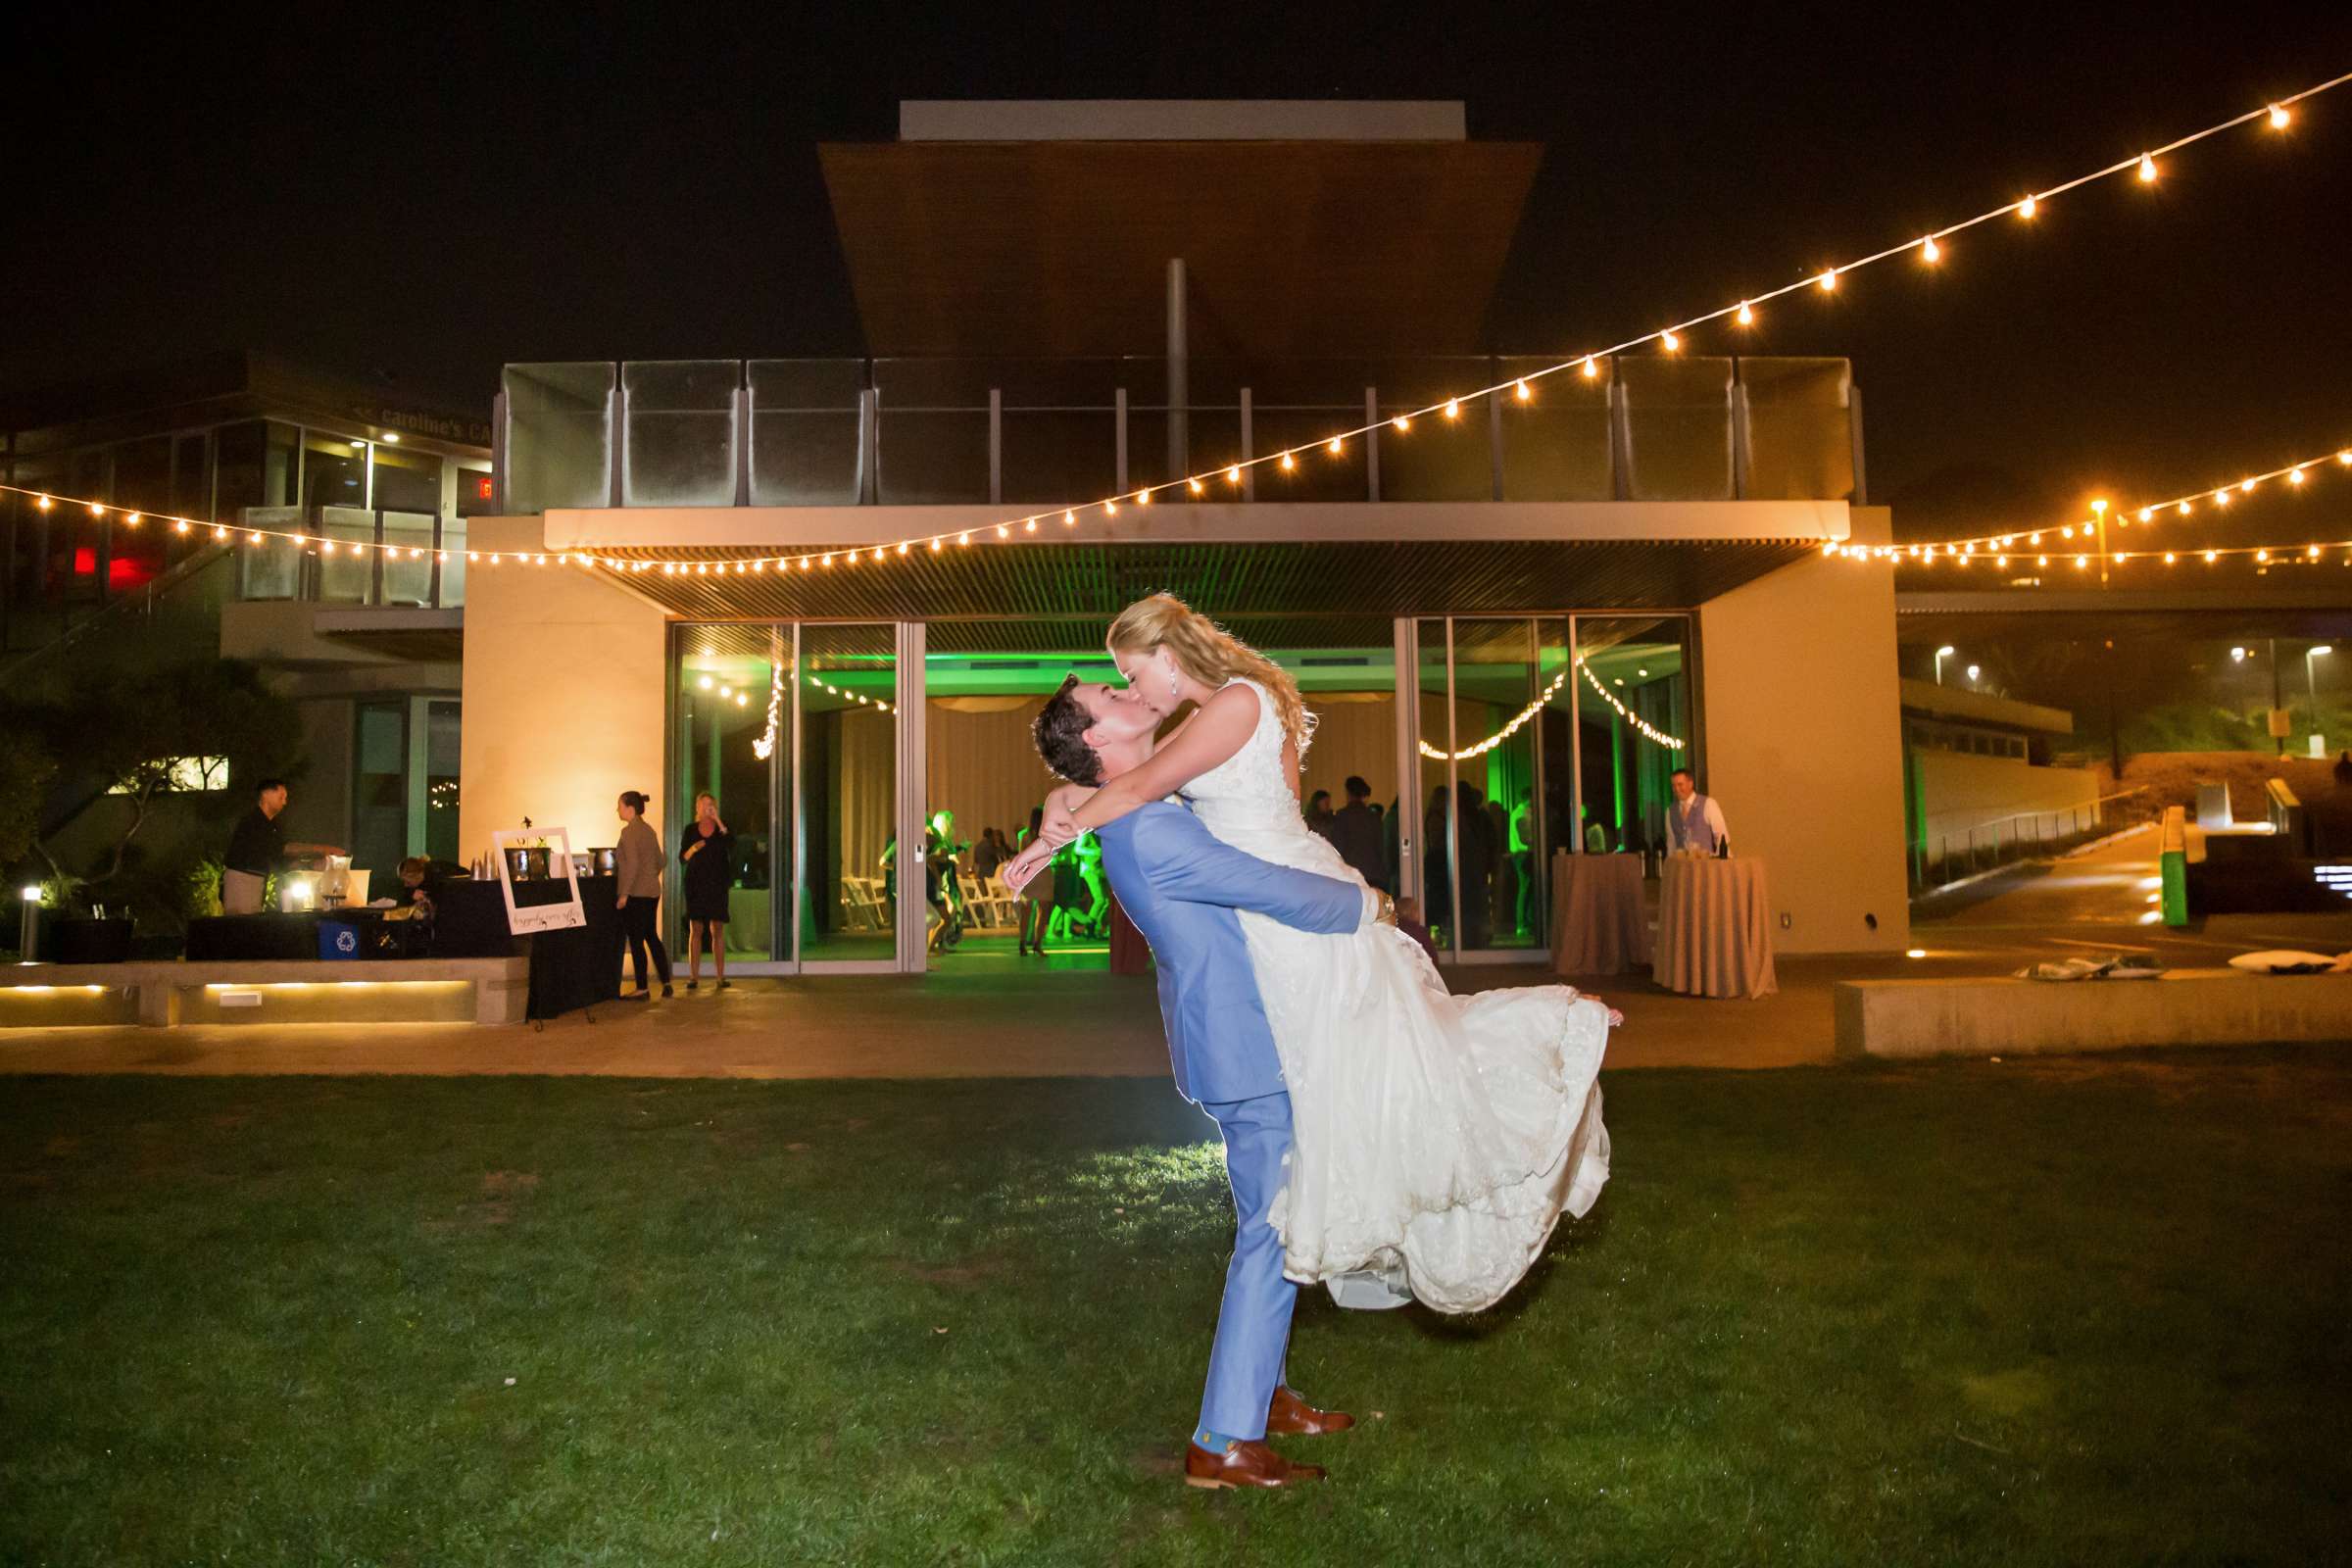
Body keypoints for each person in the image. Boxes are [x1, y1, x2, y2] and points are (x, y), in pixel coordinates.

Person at [1004, 594, 1612, 1321]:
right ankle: (1327, 1264)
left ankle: (1557, 1028)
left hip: (1292, 901)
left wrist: (1054, 838)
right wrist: (1053, 818)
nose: (1131, 690)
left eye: (1129, 676)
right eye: (1119, 686)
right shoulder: (1202, 722)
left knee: (1390, 1056)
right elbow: (1095, 780)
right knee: (1347, 1073)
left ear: (1169, 662)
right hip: (1270, 914)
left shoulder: (1233, 705)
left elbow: (1130, 784)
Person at [1019, 667, 1388, 1490]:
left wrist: (1058, 811)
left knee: (1275, 1216)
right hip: (1243, 1046)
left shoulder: (1139, 808)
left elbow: (1083, 800)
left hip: (1235, 1037)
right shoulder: (1153, 830)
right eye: (1113, 700)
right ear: (1096, 739)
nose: (1132, 695)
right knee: (1274, 1226)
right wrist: (1369, 907)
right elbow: (1263, 888)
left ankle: (1267, 1393)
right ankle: (1223, 1439)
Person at [220, 778, 341, 914]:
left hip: (255, 878)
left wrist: (309, 865)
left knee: (250, 920)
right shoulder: (253, 822)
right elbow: (283, 848)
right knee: (241, 921)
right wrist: (321, 849)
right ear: (265, 794)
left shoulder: (271, 825)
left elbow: (278, 856)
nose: (284, 802)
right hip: (242, 878)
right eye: (281, 797)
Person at [613, 790, 672, 1000]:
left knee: (637, 940)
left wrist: (624, 895)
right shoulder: (648, 830)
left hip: (637, 893)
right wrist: (650, 876)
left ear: (630, 809)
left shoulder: (628, 832)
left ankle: (642, 987)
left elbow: (632, 865)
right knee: (652, 937)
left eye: (619, 806)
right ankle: (666, 982)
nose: (617, 810)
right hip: (652, 891)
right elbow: (661, 861)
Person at [679, 791, 734, 992]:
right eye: (703, 805)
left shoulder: (721, 828)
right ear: (697, 808)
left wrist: (718, 821)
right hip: (696, 886)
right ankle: (693, 977)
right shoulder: (690, 830)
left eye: (710, 805)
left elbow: (731, 844)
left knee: (717, 929)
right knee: (696, 930)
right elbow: (682, 858)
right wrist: (693, 848)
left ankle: (720, 976)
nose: (706, 808)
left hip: (718, 886)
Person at [1324, 775, 1387, 892]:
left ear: (1348, 793)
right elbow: (1381, 848)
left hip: (1351, 876)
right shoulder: (1374, 817)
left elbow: (1337, 848)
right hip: (1374, 876)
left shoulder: (1342, 816)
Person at [1015, 806, 1057, 956]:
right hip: (1044, 873)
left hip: (1029, 874)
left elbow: (1021, 857)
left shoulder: (1024, 835)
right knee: (1042, 911)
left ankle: (1022, 943)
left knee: (1026, 911)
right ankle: (1037, 944)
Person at [1665, 767, 1730, 856]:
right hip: (1682, 866)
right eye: (1673, 785)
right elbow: (1671, 842)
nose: (1676, 789)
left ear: (1690, 784)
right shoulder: (1670, 811)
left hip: (1704, 865)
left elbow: (1722, 836)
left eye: (1680, 785)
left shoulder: (1708, 804)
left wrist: (1719, 861)